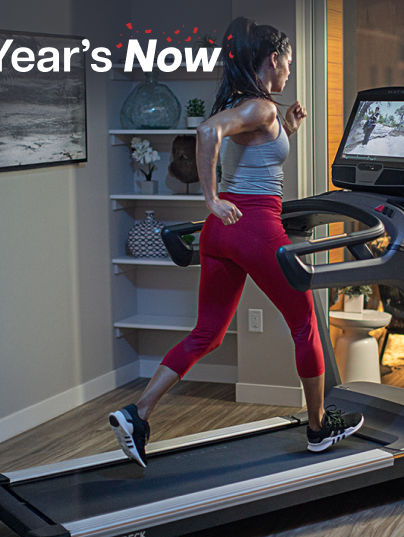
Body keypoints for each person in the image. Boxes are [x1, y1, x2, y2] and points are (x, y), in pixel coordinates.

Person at [109, 17, 364, 467]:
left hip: (221, 234)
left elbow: (252, 153)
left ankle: (138, 412)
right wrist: (209, 197)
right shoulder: (258, 108)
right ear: (273, 60)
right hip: (254, 226)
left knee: (207, 333)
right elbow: (207, 132)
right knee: (304, 325)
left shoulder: (254, 108)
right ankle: (319, 427)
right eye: (288, 63)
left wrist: (287, 127)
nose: (289, 72)